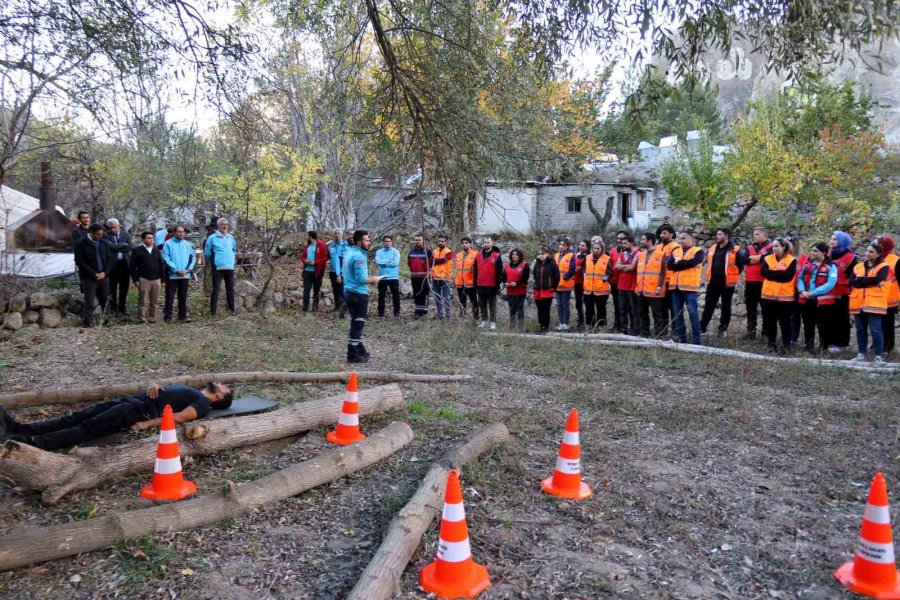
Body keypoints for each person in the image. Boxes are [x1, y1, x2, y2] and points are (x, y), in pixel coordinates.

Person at [0, 382, 233, 450]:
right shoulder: (196, 391)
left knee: (86, 429)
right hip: (132, 401)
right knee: (74, 418)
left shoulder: (203, 403)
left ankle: (29, 443)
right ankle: (20, 429)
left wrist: (147, 424)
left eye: (225, 387)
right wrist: (155, 384)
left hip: (135, 412)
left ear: (220, 397)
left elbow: (181, 417)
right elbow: (168, 393)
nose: (221, 384)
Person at [342, 230, 380, 363]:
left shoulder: (348, 252)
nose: (369, 243)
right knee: (358, 323)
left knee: (356, 322)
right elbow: (361, 278)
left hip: (349, 291)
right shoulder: (359, 256)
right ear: (359, 242)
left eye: (369, 240)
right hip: (358, 293)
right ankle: (352, 354)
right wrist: (373, 279)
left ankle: (360, 349)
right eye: (366, 240)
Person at [849, 242, 890, 363]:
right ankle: (861, 354)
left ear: (879, 254)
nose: (868, 253)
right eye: (867, 251)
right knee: (860, 329)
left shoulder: (883, 266)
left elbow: (878, 279)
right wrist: (867, 281)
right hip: (858, 302)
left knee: (875, 330)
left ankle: (878, 356)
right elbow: (851, 281)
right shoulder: (858, 266)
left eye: (871, 252)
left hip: (875, 304)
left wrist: (861, 280)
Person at [796, 242, 838, 353]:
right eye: (812, 250)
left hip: (823, 302)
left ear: (823, 252)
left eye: (815, 251)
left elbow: (831, 283)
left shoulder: (831, 266)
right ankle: (808, 347)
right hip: (807, 300)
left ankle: (823, 348)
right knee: (808, 325)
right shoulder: (808, 265)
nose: (812, 253)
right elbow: (800, 278)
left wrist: (815, 292)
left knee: (823, 325)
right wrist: (802, 290)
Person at [700, 227, 741, 337]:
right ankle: (702, 328)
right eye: (717, 234)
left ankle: (722, 329)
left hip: (727, 284)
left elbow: (740, 266)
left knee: (726, 306)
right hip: (713, 283)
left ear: (726, 236)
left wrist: (732, 277)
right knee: (708, 306)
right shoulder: (713, 247)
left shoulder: (735, 249)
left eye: (720, 234)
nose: (717, 236)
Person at [760, 238, 797, 354]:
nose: (774, 248)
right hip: (768, 296)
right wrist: (780, 273)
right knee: (770, 322)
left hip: (785, 298)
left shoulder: (791, 260)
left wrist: (772, 274)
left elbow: (788, 277)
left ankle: (786, 346)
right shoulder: (767, 258)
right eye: (773, 246)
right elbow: (764, 273)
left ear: (783, 247)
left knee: (785, 323)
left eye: (777, 246)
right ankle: (771, 344)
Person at [667, 232, 704, 345]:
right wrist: (682, 264)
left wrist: (678, 263)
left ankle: (697, 342)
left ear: (690, 239)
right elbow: (669, 265)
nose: (681, 240)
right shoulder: (676, 251)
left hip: (690, 288)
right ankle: (682, 340)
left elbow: (692, 263)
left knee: (693, 314)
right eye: (680, 238)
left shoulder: (698, 251)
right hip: (676, 288)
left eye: (683, 238)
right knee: (677, 315)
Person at [737, 227, 773, 339]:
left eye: (757, 234)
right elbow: (744, 260)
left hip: (764, 283)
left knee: (766, 310)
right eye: (754, 234)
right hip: (750, 282)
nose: (754, 236)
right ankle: (750, 333)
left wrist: (756, 258)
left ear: (764, 235)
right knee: (750, 309)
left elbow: (768, 259)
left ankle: (765, 333)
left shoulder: (772, 247)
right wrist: (760, 258)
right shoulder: (750, 247)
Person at [74, 223, 112, 326]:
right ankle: (88, 322)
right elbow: (80, 262)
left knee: (105, 299)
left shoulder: (104, 242)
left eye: (101, 234)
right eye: (98, 234)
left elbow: (109, 259)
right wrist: (94, 273)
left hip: (103, 276)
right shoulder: (81, 243)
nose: (100, 236)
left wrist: (105, 272)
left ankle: (106, 320)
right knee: (90, 300)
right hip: (89, 277)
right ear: (91, 233)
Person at [827, 230, 859, 353]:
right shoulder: (827, 254)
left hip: (842, 293)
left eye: (835, 239)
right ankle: (828, 342)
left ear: (842, 242)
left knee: (841, 318)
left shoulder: (851, 258)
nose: (831, 241)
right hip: (826, 292)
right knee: (828, 317)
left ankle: (841, 343)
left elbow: (852, 277)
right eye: (831, 238)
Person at [636, 232, 667, 338]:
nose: (641, 242)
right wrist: (637, 286)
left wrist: (659, 287)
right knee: (642, 313)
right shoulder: (641, 255)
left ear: (650, 241)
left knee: (657, 315)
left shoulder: (661, 254)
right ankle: (644, 334)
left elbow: (663, 273)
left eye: (643, 239)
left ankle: (659, 335)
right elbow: (639, 273)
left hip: (655, 291)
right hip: (641, 290)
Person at [130, 231, 165, 324]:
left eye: (152, 238)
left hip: (156, 279)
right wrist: (135, 279)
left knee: (154, 300)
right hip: (144, 278)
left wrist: (163, 279)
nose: (151, 240)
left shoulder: (156, 251)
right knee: (143, 300)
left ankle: (152, 317)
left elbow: (161, 265)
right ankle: (142, 318)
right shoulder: (137, 250)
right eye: (148, 238)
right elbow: (132, 266)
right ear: (143, 239)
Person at [205, 217, 238, 316]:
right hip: (218, 268)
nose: (224, 226)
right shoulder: (212, 238)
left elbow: (234, 250)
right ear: (218, 226)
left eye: (226, 224)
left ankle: (231, 310)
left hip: (229, 267)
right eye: (222, 224)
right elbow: (207, 253)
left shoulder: (231, 237)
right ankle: (213, 312)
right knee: (216, 289)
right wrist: (216, 261)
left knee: (230, 289)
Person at [162, 225, 195, 323]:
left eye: (182, 232)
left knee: (183, 296)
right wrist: (175, 269)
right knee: (170, 296)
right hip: (172, 274)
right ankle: (168, 316)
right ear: (174, 233)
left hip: (185, 274)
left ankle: (183, 316)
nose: (181, 234)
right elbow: (166, 258)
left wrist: (188, 269)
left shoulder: (187, 244)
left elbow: (193, 258)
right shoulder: (168, 244)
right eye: (179, 232)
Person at [103, 218, 133, 316]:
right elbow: (109, 247)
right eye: (110, 228)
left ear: (119, 225)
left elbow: (130, 246)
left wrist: (117, 246)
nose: (112, 230)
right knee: (112, 288)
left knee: (124, 287)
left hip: (125, 265)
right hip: (112, 266)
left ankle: (122, 307)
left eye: (114, 227)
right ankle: (113, 308)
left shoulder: (126, 234)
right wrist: (123, 245)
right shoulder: (106, 235)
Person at [473, 235, 503, 330]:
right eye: (485, 242)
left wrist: (497, 286)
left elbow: (499, 272)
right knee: (482, 304)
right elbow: (475, 270)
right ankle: (484, 320)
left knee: (492, 305)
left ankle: (493, 322)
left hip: (492, 285)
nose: (486, 244)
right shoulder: (478, 255)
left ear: (492, 243)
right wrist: (475, 284)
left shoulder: (497, 256)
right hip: (480, 284)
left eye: (488, 242)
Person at [874, 235, 897, 354]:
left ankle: (887, 346)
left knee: (887, 323)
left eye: (877, 242)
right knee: (875, 323)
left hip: (889, 299)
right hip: (874, 297)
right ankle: (876, 344)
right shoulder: (874, 257)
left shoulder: (895, 260)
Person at [613, 234, 640, 335]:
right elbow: (617, 266)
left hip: (632, 285)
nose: (623, 245)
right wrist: (626, 266)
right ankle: (624, 328)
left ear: (631, 243)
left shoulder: (637, 253)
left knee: (634, 309)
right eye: (622, 243)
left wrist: (623, 267)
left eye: (625, 243)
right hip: (621, 285)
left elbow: (632, 267)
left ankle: (635, 328)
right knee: (622, 309)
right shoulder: (622, 254)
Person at [582, 241, 611, 330]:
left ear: (602, 249)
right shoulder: (587, 258)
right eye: (594, 248)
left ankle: (601, 327)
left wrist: (604, 279)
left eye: (598, 248)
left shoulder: (607, 259)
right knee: (589, 310)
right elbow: (583, 269)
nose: (596, 250)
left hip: (601, 290)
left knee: (601, 310)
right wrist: (584, 275)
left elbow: (609, 272)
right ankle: (589, 327)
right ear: (592, 248)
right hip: (588, 290)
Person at [656, 224, 679, 331]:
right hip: (660, 282)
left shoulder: (675, 246)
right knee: (662, 307)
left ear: (671, 234)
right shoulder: (658, 247)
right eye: (661, 233)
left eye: (665, 233)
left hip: (671, 282)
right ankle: (663, 330)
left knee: (673, 308)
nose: (662, 235)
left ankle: (675, 330)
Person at [531, 246, 559, 334]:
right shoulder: (537, 263)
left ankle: (545, 327)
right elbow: (535, 275)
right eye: (539, 254)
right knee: (540, 310)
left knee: (546, 309)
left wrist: (553, 287)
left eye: (543, 254)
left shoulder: (552, 263)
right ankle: (541, 326)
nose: (541, 256)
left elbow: (557, 277)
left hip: (548, 291)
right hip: (538, 290)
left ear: (547, 254)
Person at [300, 231, 328, 312]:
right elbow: (302, 257)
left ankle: (315, 308)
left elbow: (325, 258)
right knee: (306, 290)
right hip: (307, 271)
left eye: (308, 236)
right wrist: (305, 261)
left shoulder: (321, 245)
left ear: (311, 236)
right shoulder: (308, 245)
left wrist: (315, 263)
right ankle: (305, 308)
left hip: (317, 272)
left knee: (316, 290)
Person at [375, 235, 401, 317]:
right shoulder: (379, 252)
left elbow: (395, 263)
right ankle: (381, 312)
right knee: (381, 295)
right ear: (383, 242)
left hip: (393, 277)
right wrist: (389, 260)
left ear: (391, 242)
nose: (388, 243)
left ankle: (397, 312)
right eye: (386, 241)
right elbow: (378, 261)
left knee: (396, 295)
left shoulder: (396, 252)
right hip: (382, 277)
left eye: (389, 241)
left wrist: (384, 263)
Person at [408, 235, 434, 318]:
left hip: (424, 276)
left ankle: (424, 309)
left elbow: (431, 263)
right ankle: (417, 310)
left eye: (419, 240)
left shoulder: (428, 251)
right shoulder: (411, 252)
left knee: (424, 293)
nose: (417, 241)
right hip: (414, 277)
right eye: (416, 240)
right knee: (416, 293)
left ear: (423, 241)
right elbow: (409, 263)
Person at [554, 238, 577, 331]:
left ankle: (565, 323)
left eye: (563, 244)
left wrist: (565, 277)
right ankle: (560, 323)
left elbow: (572, 269)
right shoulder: (556, 255)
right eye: (560, 244)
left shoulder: (571, 255)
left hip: (566, 284)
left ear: (567, 246)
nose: (561, 246)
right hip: (557, 285)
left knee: (565, 304)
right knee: (559, 305)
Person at [504, 248, 529, 329]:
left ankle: (520, 327)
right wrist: (505, 282)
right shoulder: (507, 265)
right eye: (513, 254)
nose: (514, 256)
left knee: (519, 309)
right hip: (510, 291)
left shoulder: (525, 265)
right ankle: (512, 326)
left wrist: (516, 283)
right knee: (512, 309)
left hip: (520, 291)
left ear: (520, 256)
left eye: (516, 254)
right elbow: (503, 276)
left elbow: (525, 278)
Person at [454, 237, 478, 320]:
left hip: (471, 283)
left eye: (466, 243)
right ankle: (462, 317)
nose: (464, 244)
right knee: (462, 302)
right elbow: (458, 269)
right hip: (460, 283)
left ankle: (476, 318)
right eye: (463, 243)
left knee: (474, 302)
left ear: (470, 244)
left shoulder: (475, 255)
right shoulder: (458, 255)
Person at [431, 236, 454, 319]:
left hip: (445, 278)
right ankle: (440, 314)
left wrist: (435, 260)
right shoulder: (434, 251)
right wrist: (436, 261)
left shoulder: (449, 252)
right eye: (439, 241)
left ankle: (448, 314)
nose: (440, 242)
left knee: (446, 297)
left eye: (442, 241)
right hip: (435, 277)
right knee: (437, 297)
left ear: (446, 242)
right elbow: (430, 261)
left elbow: (444, 260)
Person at [327, 228, 348, 314]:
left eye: (338, 233)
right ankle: (337, 307)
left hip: (343, 272)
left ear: (342, 234)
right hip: (333, 271)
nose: (337, 235)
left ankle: (343, 310)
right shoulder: (330, 246)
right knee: (335, 290)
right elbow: (328, 257)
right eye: (335, 233)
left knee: (342, 290)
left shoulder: (346, 245)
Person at [608, 232, 626, 332]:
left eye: (622, 238)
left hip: (626, 283)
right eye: (618, 238)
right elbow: (610, 265)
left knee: (627, 306)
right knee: (617, 305)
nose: (620, 240)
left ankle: (627, 325)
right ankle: (617, 324)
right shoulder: (613, 250)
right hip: (615, 282)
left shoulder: (632, 250)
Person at [573, 241, 588, 328]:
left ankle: (588, 320)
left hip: (586, 283)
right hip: (577, 283)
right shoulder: (575, 256)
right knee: (578, 303)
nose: (581, 247)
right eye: (580, 245)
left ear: (587, 247)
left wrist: (580, 269)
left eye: (583, 245)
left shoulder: (589, 256)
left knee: (587, 303)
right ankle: (580, 320)